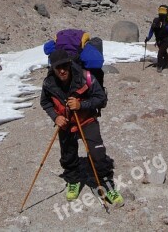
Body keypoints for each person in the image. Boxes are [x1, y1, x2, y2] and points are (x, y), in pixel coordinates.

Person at [40, 49, 124, 206]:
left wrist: (81, 105)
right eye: (58, 68)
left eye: (65, 66)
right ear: (53, 68)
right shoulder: (48, 83)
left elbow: (101, 99)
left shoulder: (85, 77)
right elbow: (45, 102)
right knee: (68, 155)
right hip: (65, 122)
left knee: (98, 154)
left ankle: (107, 184)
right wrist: (55, 117)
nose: (62, 70)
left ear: (70, 64)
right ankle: (73, 180)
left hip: (86, 120)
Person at [145, 6, 168, 73]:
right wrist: (147, 39)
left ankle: (159, 66)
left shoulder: (163, 25)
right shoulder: (163, 25)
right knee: (163, 52)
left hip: (165, 41)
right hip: (160, 41)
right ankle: (167, 62)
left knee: (160, 53)